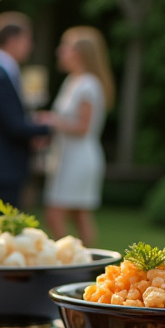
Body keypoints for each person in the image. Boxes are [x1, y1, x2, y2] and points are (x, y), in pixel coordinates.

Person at [0, 12, 51, 214]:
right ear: (12, 40)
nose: (29, 46)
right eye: (27, 40)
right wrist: (47, 127)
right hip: (2, 168)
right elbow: (13, 125)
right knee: (4, 233)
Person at [40, 27, 115, 249]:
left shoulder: (88, 85)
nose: (61, 52)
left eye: (67, 47)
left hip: (79, 157)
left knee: (55, 214)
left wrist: (52, 121)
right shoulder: (72, 81)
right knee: (80, 215)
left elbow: (83, 127)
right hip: (66, 156)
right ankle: (86, 263)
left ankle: (71, 259)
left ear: (81, 52)